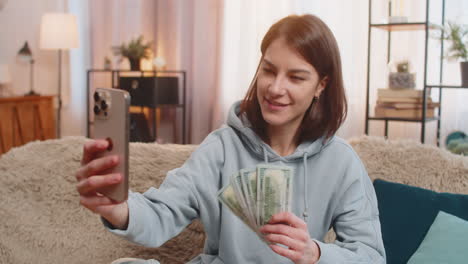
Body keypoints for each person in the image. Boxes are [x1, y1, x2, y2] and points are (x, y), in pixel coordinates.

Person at [76, 14, 386, 263]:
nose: (276, 88)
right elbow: (163, 212)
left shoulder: (341, 161)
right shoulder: (222, 146)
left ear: (321, 85)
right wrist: (119, 209)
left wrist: (316, 254)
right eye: (268, 70)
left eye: (296, 77)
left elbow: (371, 255)